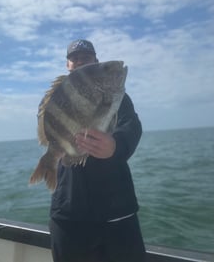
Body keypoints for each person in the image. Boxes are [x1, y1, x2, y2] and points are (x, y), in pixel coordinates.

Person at [49, 39, 146, 262]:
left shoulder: (115, 95)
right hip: (69, 212)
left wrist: (116, 145)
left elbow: (131, 124)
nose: (81, 61)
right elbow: (51, 127)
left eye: (86, 57)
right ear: (68, 65)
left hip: (117, 211)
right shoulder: (61, 95)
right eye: (75, 58)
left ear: (96, 60)